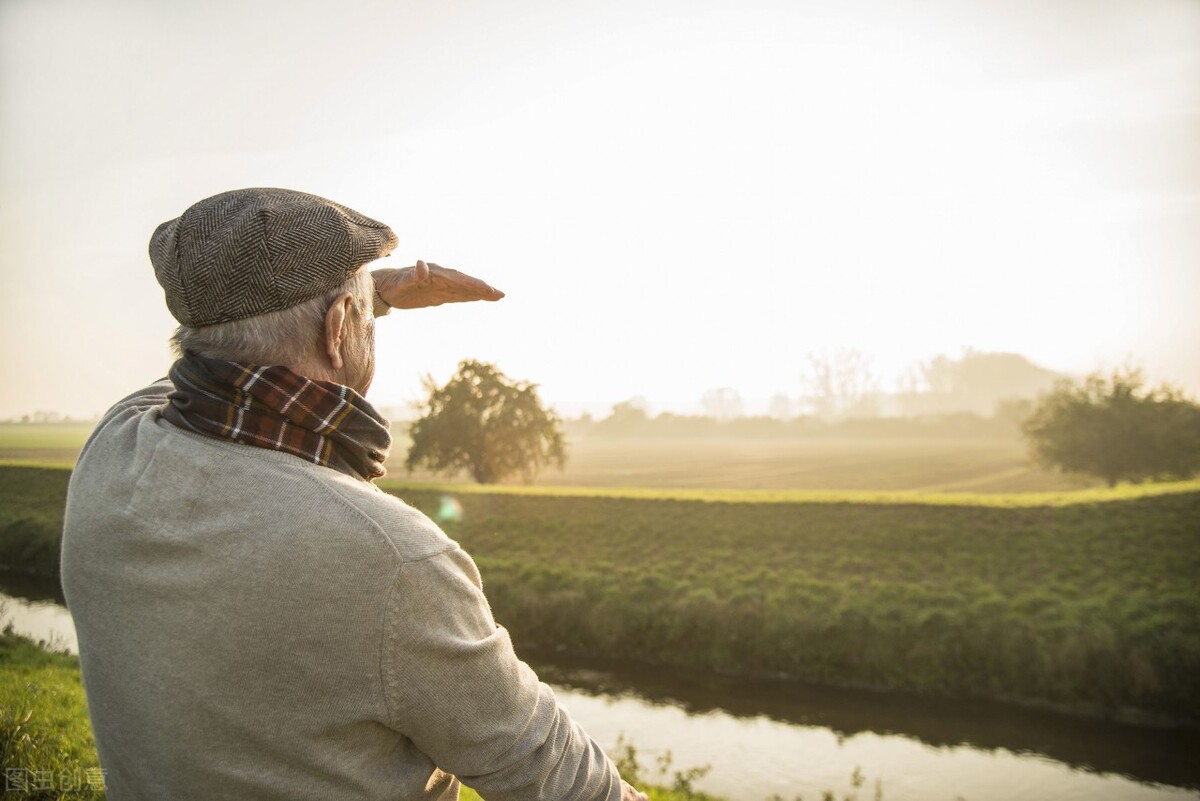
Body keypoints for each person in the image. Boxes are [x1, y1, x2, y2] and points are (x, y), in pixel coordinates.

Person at [60, 187, 648, 801]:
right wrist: (370, 294)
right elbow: (553, 773)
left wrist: (366, 295)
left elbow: (205, 368)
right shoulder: (389, 559)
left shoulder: (113, 447)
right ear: (340, 328)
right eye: (360, 310)